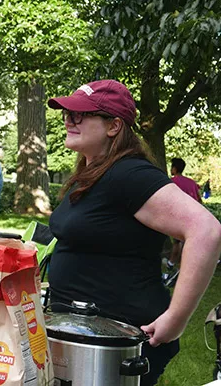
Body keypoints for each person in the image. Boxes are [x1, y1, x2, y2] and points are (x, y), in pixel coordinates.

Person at [46, 80, 221, 386]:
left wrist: (176, 319)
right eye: (67, 114)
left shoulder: (129, 174)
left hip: (118, 346)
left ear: (114, 126)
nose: (68, 120)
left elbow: (206, 230)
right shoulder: (90, 174)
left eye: (80, 115)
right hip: (80, 338)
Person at [167, 158, 203, 268]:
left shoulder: (171, 182)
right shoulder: (191, 182)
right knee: (185, 241)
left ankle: (172, 263)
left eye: (172, 167)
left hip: (179, 215)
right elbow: (199, 200)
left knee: (177, 242)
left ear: (175, 168)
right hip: (192, 215)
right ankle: (180, 264)